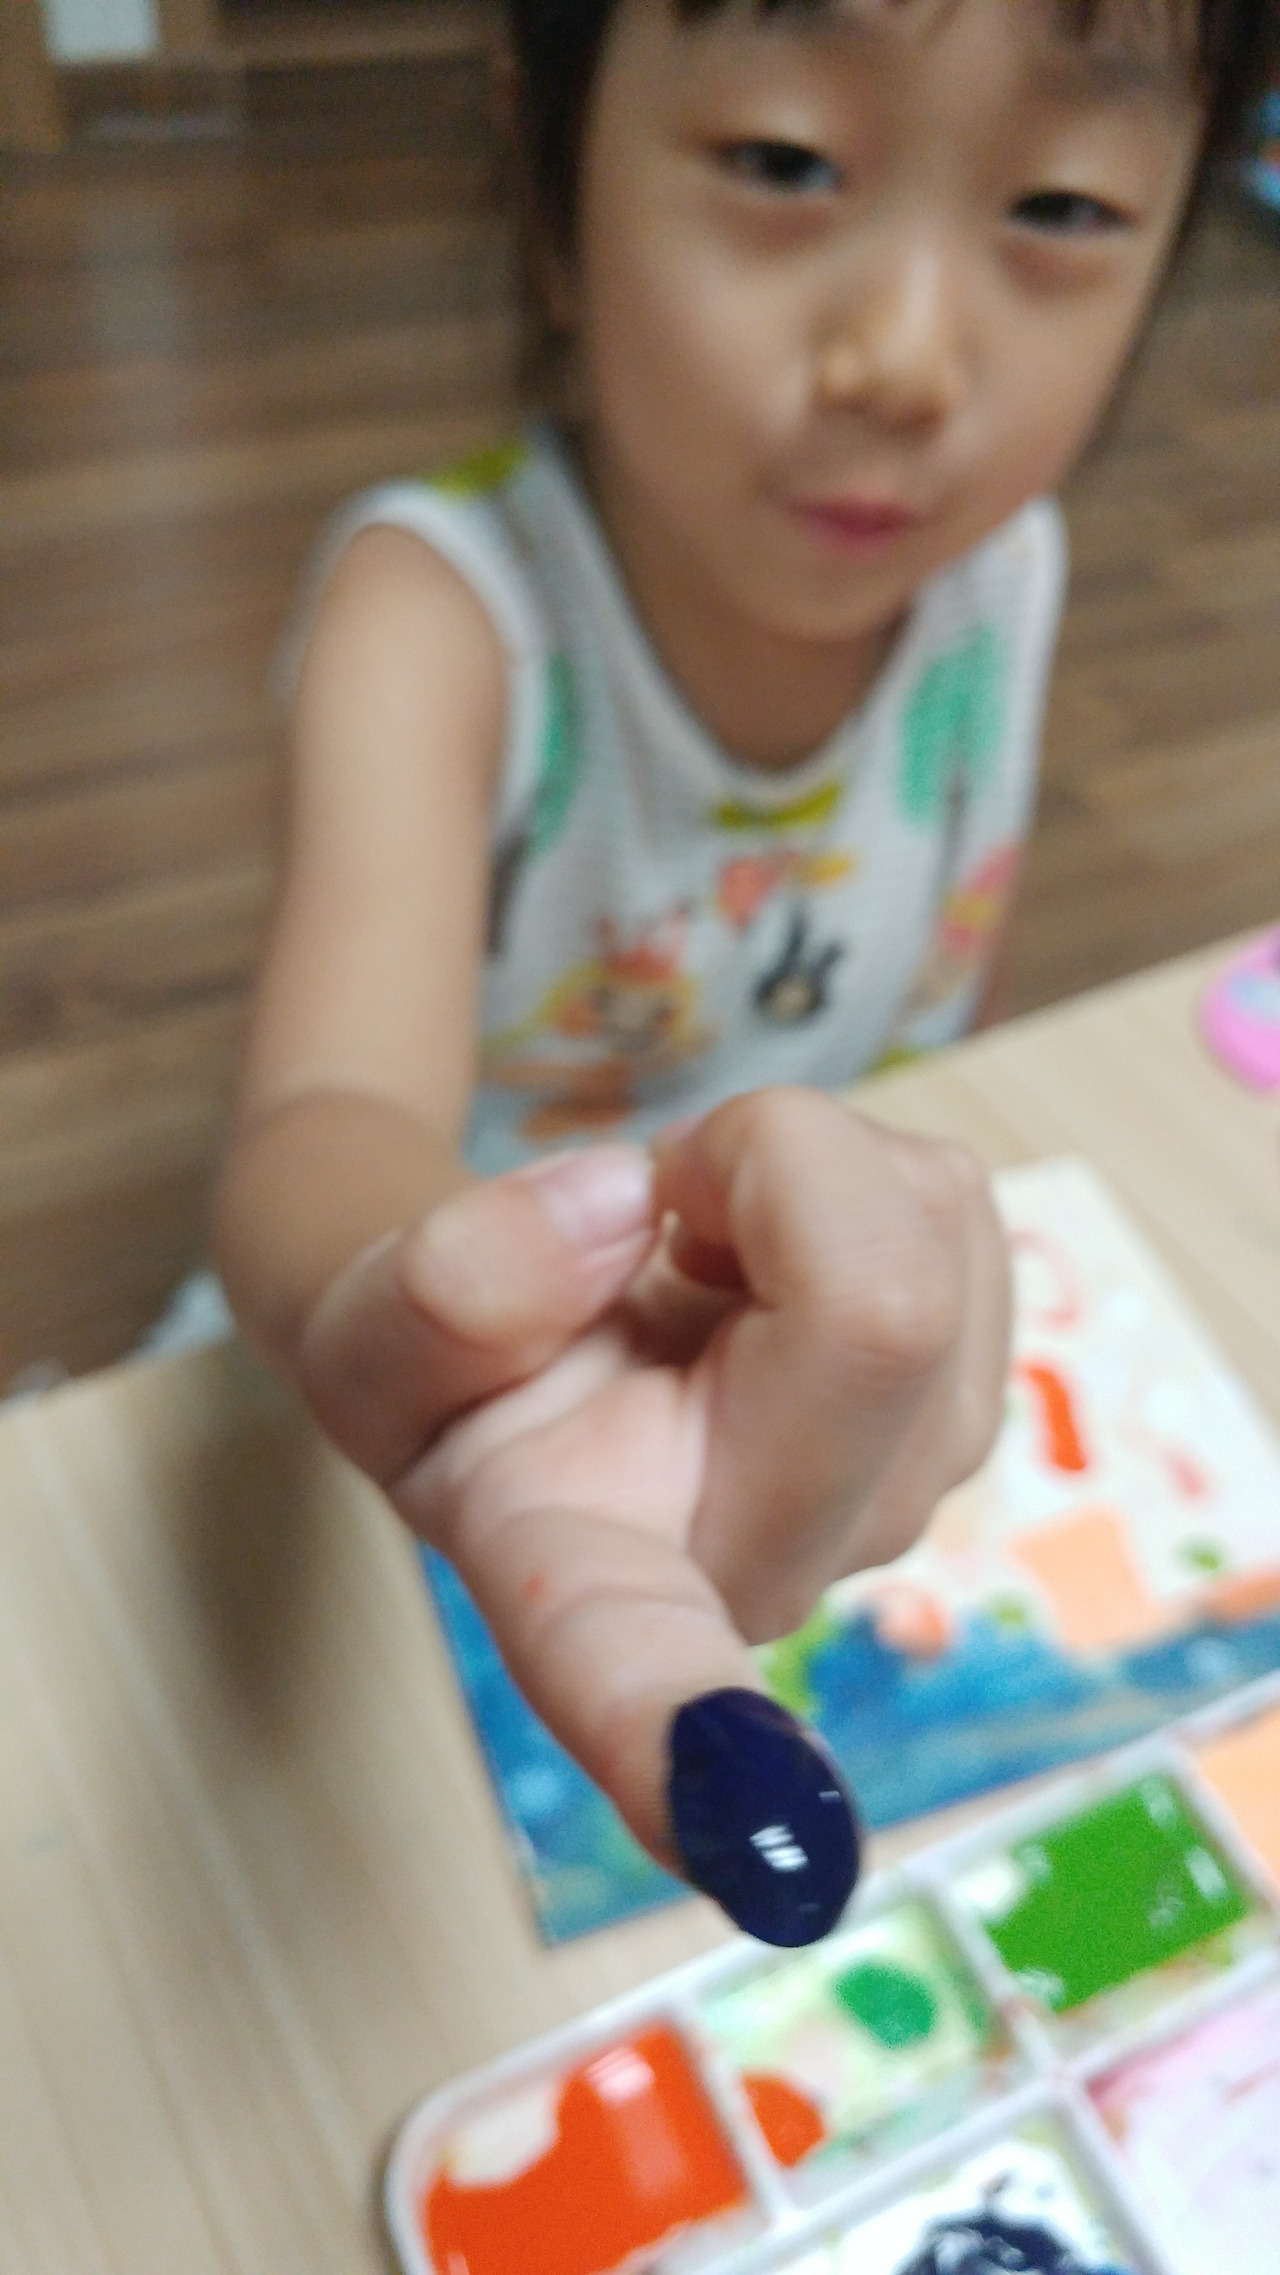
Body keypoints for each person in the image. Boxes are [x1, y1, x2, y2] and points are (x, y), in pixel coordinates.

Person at [213, 0, 1267, 1944]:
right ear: (553, 183)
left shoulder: (1002, 572)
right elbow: (318, 1121)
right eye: (785, 164)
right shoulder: (437, 623)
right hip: (414, 1384)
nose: (904, 358)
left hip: (758, 1396)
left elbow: (920, 1016)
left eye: (1058, 204)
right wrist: (455, 1322)